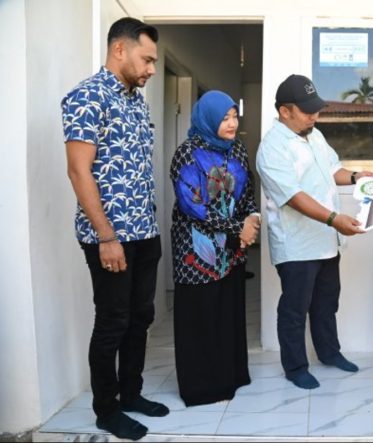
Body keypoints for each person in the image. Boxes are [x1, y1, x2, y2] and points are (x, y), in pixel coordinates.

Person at [61, 17, 168, 441]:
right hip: (110, 238)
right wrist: (107, 236)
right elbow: (78, 170)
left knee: (141, 317)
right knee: (113, 322)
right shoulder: (86, 97)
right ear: (119, 50)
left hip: (145, 231)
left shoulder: (136, 101)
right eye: (147, 59)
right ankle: (107, 410)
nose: (152, 69)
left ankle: (131, 393)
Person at [256, 74, 373, 390]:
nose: (315, 115)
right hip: (296, 245)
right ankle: (295, 367)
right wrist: (335, 218)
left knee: (326, 302)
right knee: (294, 308)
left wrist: (355, 177)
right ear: (285, 111)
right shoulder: (272, 148)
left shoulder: (314, 135)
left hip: (325, 242)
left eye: (316, 109)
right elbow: (294, 197)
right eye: (307, 110)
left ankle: (329, 353)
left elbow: (332, 169)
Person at [169, 90, 260, 406]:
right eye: (225, 117)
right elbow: (193, 206)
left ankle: (230, 376)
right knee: (202, 315)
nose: (232, 123)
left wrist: (252, 218)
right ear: (208, 118)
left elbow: (247, 192)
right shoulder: (187, 154)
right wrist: (240, 228)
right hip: (196, 251)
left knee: (227, 311)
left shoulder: (237, 149)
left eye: (234, 116)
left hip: (231, 250)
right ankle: (203, 387)